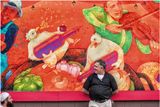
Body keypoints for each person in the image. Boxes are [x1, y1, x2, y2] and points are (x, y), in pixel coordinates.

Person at [83, 0, 159, 54]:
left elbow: (143, 48)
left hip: (120, 60)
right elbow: (86, 12)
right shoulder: (102, 15)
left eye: (119, 4)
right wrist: (106, 26)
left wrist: (150, 47)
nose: (118, 9)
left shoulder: (128, 16)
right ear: (106, 9)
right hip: (99, 56)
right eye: (112, 6)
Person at [0, 0, 22, 89]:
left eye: (12, 11)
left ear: (16, 15)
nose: (6, 13)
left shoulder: (12, 28)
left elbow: (5, 48)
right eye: (6, 9)